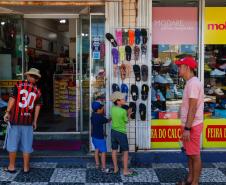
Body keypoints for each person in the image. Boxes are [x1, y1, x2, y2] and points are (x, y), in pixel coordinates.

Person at [3, 68, 42, 174]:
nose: (34, 79)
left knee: (12, 145)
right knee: (27, 145)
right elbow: (38, 106)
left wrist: (7, 112)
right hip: (28, 122)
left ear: (28, 76)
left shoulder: (18, 85)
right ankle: (26, 168)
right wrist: (35, 121)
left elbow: (12, 99)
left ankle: (11, 167)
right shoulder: (37, 90)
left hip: (15, 120)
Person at [175, 57, 204, 185]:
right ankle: (190, 179)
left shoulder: (193, 83)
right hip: (189, 125)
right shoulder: (190, 82)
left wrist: (187, 128)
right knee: (190, 154)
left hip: (192, 126)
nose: (178, 69)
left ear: (187, 67)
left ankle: (195, 183)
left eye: (180, 66)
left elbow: (193, 108)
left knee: (195, 155)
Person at [110, 91, 137, 176]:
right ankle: (125, 171)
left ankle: (115, 168)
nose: (124, 99)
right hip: (121, 133)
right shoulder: (122, 111)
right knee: (125, 152)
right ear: (118, 101)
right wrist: (128, 114)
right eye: (122, 98)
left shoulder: (112, 109)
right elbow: (126, 121)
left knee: (114, 150)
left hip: (113, 132)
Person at [91, 101, 110, 173]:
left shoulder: (93, 115)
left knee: (96, 150)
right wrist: (111, 118)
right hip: (100, 138)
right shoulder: (100, 117)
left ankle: (97, 164)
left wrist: (103, 132)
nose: (103, 109)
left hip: (94, 137)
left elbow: (97, 126)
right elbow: (107, 120)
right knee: (103, 152)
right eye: (102, 108)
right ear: (98, 110)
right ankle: (104, 168)